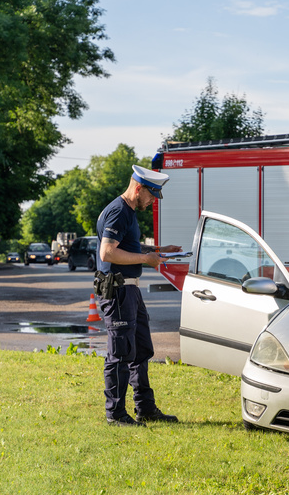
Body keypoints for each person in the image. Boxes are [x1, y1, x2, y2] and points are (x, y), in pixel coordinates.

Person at [96, 165, 182, 426]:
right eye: (152, 195)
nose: (153, 201)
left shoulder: (129, 212)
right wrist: (147, 258)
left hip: (129, 290)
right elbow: (107, 253)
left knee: (141, 349)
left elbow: (128, 245)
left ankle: (145, 408)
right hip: (118, 290)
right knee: (120, 353)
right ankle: (116, 414)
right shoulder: (118, 212)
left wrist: (157, 249)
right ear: (138, 188)